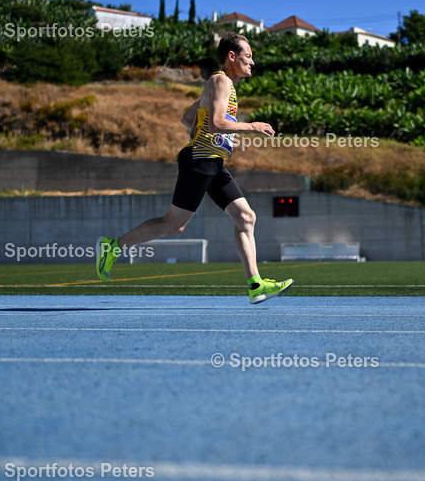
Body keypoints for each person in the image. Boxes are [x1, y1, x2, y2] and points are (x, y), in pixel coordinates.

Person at [96, 31, 293, 304]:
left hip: (213, 162)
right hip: (200, 161)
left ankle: (256, 284)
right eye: (248, 56)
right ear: (232, 57)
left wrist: (202, 133)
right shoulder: (220, 81)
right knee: (173, 225)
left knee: (246, 218)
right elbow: (216, 124)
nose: (253, 62)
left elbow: (188, 118)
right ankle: (113, 246)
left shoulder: (222, 87)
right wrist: (253, 126)